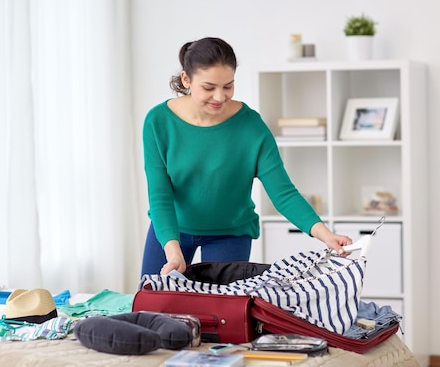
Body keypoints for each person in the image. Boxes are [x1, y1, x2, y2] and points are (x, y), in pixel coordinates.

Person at [140, 37, 352, 277]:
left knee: (222, 312)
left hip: (229, 233)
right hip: (170, 229)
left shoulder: (250, 126)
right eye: (209, 87)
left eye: (228, 86)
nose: (219, 97)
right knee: (152, 304)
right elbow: (160, 195)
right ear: (186, 79)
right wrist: (173, 250)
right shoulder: (158, 121)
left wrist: (326, 235)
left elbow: (283, 193)